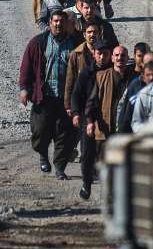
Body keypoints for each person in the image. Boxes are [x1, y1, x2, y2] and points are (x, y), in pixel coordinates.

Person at [19, 10, 80, 179]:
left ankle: (60, 168)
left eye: (61, 21)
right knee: (40, 130)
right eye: (55, 21)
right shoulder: (38, 43)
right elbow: (26, 67)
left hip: (66, 98)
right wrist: (24, 89)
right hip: (44, 96)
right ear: (50, 23)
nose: (58, 24)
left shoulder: (76, 43)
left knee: (65, 133)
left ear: (66, 23)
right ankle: (43, 155)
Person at [83, 44, 136, 198]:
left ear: (127, 59)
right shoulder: (102, 76)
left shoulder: (134, 79)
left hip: (125, 129)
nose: (120, 58)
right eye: (117, 55)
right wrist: (90, 121)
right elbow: (92, 102)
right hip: (106, 127)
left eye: (123, 55)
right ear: (112, 58)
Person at [71, 39, 113, 196]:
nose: (102, 57)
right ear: (94, 54)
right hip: (88, 119)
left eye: (105, 54)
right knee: (87, 154)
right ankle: (86, 184)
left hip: (108, 118)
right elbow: (76, 94)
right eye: (99, 53)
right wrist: (75, 113)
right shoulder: (86, 73)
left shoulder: (113, 73)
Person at [64, 20, 99, 121]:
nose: (92, 35)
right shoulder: (75, 54)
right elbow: (69, 80)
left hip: (99, 99)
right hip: (81, 99)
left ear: (99, 33)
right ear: (84, 35)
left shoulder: (105, 53)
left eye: (95, 32)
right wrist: (68, 105)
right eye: (89, 32)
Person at [116, 54, 153, 133]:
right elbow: (123, 108)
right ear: (142, 64)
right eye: (147, 64)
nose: (150, 66)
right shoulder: (135, 85)